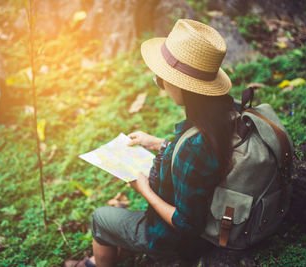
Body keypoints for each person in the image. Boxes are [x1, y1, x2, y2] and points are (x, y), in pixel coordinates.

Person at [66, 19, 236, 267]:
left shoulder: (195, 144)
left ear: (181, 84)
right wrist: (158, 143)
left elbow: (186, 223)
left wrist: (143, 188)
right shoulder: (223, 114)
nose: (160, 81)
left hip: (174, 239)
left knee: (101, 218)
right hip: (214, 214)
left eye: (164, 77)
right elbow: (199, 163)